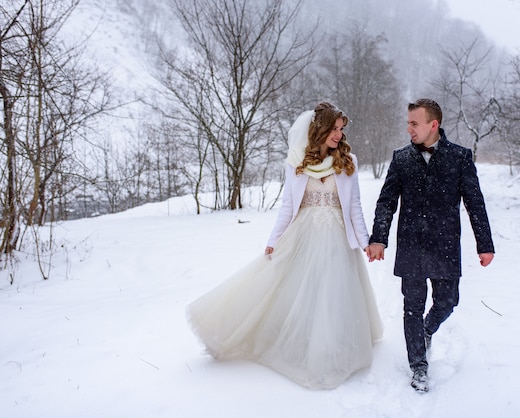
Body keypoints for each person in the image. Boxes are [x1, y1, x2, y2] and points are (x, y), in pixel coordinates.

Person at [187, 101, 383, 390]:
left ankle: (330, 349)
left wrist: (366, 242)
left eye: (341, 130)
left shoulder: (347, 160)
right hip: (303, 234)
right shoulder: (297, 162)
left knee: (333, 292)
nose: (339, 135)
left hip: (338, 237)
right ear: (320, 129)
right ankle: (296, 342)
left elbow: (354, 208)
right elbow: (288, 206)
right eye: (334, 129)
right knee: (298, 289)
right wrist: (273, 240)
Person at [368, 98, 495, 392]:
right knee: (412, 306)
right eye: (408, 123)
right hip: (411, 245)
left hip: (444, 245)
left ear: (433, 125)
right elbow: (387, 202)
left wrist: (484, 244)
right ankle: (419, 367)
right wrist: (379, 238)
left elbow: (475, 203)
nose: (409, 129)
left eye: (415, 123)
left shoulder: (460, 157)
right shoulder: (401, 159)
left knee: (448, 302)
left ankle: (428, 330)